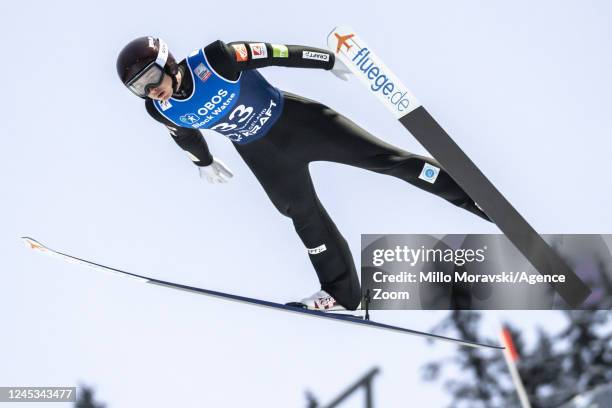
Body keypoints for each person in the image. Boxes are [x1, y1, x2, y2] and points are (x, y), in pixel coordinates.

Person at [116, 36, 490, 311]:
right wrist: (204, 162)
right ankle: (343, 294)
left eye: (151, 78)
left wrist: (328, 60)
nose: (151, 91)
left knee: (386, 159)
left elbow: (279, 54)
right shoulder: (160, 110)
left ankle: (475, 197)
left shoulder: (217, 60)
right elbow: (186, 135)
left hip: (299, 123)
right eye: (139, 89)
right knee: (303, 217)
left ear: (167, 61)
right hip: (262, 154)